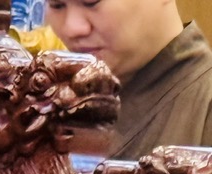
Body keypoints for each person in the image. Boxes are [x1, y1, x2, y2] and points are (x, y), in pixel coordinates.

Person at [46, 0, 212, 159]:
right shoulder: (46, 103)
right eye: (57, 5)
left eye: (92, 2)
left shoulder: (204, 105)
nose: (72, 28)